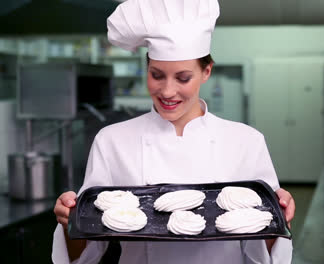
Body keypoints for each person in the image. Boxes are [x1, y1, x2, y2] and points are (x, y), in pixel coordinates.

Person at [52, 0, 294, 263]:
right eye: (157, 75)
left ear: (206, 72)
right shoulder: (112, 140)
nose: (167, 91)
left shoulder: (246, 142)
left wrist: (280, 216)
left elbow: (265, 253)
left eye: (183, 78)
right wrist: (68, 223)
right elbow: (86, 254)